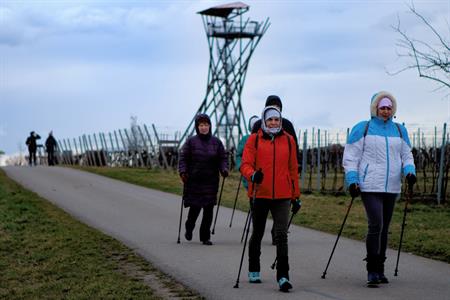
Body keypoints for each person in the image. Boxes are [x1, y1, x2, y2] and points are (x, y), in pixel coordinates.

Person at [343, 91, 416, 287]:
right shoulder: (363, 128)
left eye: (389, 107)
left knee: (384, 228)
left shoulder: (400, 131)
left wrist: (410, 171)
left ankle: (381, 269)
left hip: (392, 186)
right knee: (376, 224)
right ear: (375, 108)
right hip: (369, 186)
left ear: (393, 109)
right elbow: (351, 157)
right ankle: (372, 270)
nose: (386, 111)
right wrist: (352, 180)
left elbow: (407, 155)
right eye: (382, 107)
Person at [240, 106, 301, 292]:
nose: (273, 123)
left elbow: (293, 170)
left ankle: (283, 276)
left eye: (276, 120)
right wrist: (252, 175)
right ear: (264, 121)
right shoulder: (254, 140)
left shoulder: (289, 140)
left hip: (282, 195)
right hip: (260, 193)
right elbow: (245, 164)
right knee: (257, 233)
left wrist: (295, 196)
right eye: (270, 120)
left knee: (281, 235)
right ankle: (254, 268)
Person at [252, 95, 301, 244]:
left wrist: (296, 165)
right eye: (272, 105)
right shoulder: (258, 126)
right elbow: (253, 148)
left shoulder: (287, 125)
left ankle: (277, 231)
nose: (276, 109)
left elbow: (294, 146)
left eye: (278, 106)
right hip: (261, 179)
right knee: (260, 216)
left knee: (280, 212)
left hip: (282, 174)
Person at [178, 113, 229, 245]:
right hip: (194, 181)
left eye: (206, 124)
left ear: (210, 126)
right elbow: (183, 158)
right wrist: (183, 172)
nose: (204, 127)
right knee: (195, 208)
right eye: (201, 125)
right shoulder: (190, 142)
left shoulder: (216, 143)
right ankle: (189, 227)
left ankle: (205, 237)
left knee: (208, 210)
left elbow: (222, 158)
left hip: (211, 181)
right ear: (197, 127)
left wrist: (224, 169)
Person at [236, 115, 259, 190]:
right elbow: (239, 155)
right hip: (248, 175)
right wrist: (241, 167)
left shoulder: (265, 138)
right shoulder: (245, 139)